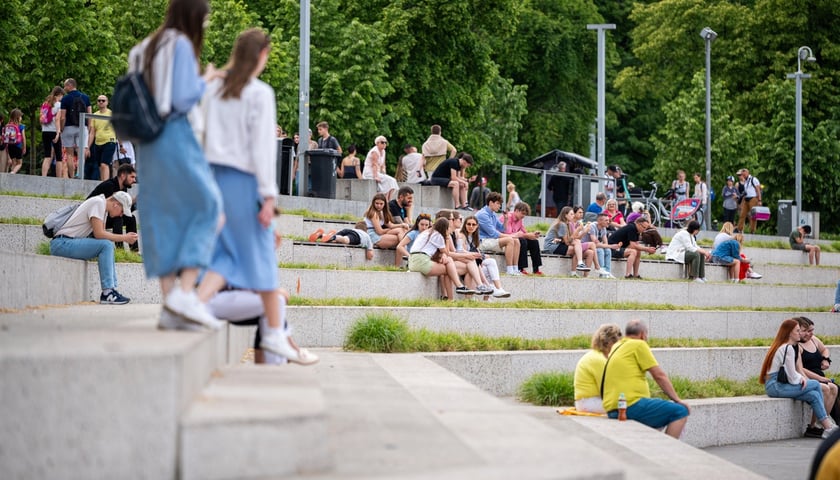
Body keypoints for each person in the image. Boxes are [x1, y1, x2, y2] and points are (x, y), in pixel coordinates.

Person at [194, 28, 317, 363]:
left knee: (225, 253)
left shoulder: (215, 87)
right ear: (262, 54)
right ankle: (275, 334)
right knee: (262, 253)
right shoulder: (259, 93)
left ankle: (197, 304)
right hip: (243, 180)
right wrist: (269, 197)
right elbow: (263, 149)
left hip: (214, 177)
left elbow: (198, 130)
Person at [130, 0, 225, 330]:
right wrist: (207, 78)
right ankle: (185, 292)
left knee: (162, 214)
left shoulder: (144, 48)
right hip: (174, 132)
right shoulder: (181, 44)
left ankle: (170, 301)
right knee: (209, 204)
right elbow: (183, 98)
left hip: (145, 139)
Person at [602, 320, 690, 438]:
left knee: (658, 408)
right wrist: (678, 400)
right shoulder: (639, 344)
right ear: (643, 335)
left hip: (613, 408)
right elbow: (659, 376)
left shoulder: (617, 346)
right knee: (680, 412)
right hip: (630, 406)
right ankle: (668, 450)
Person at [50, 192, 137, 304]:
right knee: (107, 245)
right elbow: (99, 234)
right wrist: (124, 238)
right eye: (122, 211)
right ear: (116, 204)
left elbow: (100, 237)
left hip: (67, 243)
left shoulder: (101, 206)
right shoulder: (98, 203)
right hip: (62, 243)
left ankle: (111, 290)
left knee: (108, 245)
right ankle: (108, 293)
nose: (121, 215)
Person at [760, 318, 837, 439]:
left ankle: (822, 427)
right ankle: (828, 427)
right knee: (816, 385)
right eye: (798, 331)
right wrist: (803, 380)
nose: (800, 333)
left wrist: (801, 379)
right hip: (775, 386)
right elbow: (792, 376)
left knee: (814, 395)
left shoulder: (788, 346)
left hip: (777, 384)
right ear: (790, 333)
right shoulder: (787, 348)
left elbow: (793, 373)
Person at [408, 217, 476, 299]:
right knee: (449, 265)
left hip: (412, 261)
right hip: (422, 261)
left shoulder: (426, 232)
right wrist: (447, 237)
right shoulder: (438, 235)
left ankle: (455, 291)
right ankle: (458, 287)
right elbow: (447, 252)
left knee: (448, 265)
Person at [796, 317, 839, 437]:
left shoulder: (814, 340)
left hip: (820, 376)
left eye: (811, 330)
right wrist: (820, 379)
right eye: (807, 331)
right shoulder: (797, 346)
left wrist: (826, 359)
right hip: (808, 377)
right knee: (828, 388)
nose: (810, 334)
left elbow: (824, 349)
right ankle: (815, 425)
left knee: (835, 388)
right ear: (798, 330)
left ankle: (821, 424)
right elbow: (799, 368)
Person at [87, 164, 139, 250]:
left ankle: (134, 250)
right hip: (94, 218)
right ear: (123, 175)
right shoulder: (109, 185)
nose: (134, 180)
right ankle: (119, 249)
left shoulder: (123, 188)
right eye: (132, 177)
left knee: (131, 218)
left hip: (106, 217)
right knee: (118, 218)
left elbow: (122, 209)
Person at [573, 323, 623, 413]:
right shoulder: (599, 359)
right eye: (617, 344)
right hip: (588, 402)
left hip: (590, 401)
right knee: (625, 408)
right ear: (608, 343)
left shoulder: (598, 355)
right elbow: (608, 388)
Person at [460, 214, 510, 298]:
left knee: (491, 261)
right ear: (465, 225)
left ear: (477, 226)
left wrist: (482, 256)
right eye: (468, 224)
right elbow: (462, 251)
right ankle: (491, 289)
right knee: (486, 264)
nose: (471, 226)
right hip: (467, 263)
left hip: (475, 262)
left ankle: (498, 288)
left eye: (473, 224)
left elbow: (477, 251)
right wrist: (479, 256)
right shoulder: (462, 236)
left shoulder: (474, 237)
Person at [475, 192, 521, 275]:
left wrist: (506, 219)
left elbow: (502, 229)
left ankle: (515, 269)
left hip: (490, 240)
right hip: (482, 241)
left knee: (516, 241)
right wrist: (512, 236)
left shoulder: (493, 214)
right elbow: (493, 233)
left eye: (500, 204)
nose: (499, 206)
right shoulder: (482, 215)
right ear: (490, 203)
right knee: (510, 240)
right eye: (498, 203)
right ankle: (510, 270)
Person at [57, 78, 91, 179]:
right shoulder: (85, 97)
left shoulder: (65, 99)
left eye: (65, 86)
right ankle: (79, 174)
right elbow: (89, 114)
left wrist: (62, 128)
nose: (64, 88)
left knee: (69, 154)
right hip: (82, 127)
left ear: (70, 85)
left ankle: (72, 177)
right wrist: (88, 127)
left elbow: (63, 117)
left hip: (68, 128)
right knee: (81, 152)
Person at [543, 206, 592, 276]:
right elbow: (567, 242)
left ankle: (579, 266)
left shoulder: (567, 224)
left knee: (586, 250)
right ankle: (578, 266)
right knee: (577, 244)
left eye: (573, 214)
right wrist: (578, 230)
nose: (573, 215)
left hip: (558, 244)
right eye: (571, 214)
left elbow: (568, 240)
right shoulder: (562, 224)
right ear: (565, 215)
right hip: (551, 246)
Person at [503, 201, 543, 275]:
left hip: (515, 240)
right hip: (506, 240)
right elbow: (508, 234)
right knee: (522, 241)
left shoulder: (520, 220)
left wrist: (532, 235)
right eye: (522, 213)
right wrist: (525, 235)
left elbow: (524, 232)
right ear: (516, 211)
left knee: (534, 242)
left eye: (525, 214)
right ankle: (521, 268)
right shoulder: (508, 217)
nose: (523, 216)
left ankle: (536, 269)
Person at [86, 95, 117, 181]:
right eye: (99, 100)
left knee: (104, 164)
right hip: (98, 142)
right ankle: (103, 183)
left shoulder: (111, 114)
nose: (101, 102)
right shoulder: (95, 115)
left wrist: (121, 145)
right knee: (100, 165)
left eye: (103, 101)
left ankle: (106, 182)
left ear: (107, 102)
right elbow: (92, 132)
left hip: (109, 140)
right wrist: (88, 147)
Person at [582, 212, 619, 278]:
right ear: (599, 221)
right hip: (584, 245)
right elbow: (596, 244)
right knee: (600, 250)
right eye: (606, 220)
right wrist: (611, 246)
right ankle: (602, 272)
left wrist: (609, 246)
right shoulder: (592, 226)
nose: (608, 222)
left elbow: (605, 243)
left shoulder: (603, 228)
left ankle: (607, 272)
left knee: (608, 250)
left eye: (608, 220)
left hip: (592, 246)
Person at [363, 135, 399, 200]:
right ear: (377, 143)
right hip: (370, 172)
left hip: (377, 171)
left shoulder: (383, 151)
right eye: (382, 142)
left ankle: (388, 199)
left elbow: (383, 165)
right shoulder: (375, 151)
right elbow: (374, 164)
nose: (384, 144)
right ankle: (386, 200)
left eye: (385, 142)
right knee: (391, 180)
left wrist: (384, 172)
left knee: (391, 181)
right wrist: (376, 176)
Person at [40, 86, 63, 177]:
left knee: (47, 155)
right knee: (58, 156)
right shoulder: (59, 105)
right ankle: (58, 178)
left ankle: (44, 176)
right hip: (54, 131)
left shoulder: (45, 103)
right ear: (59, 95)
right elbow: (57, 119)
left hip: (45, 131)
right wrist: (58, 133)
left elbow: (41, 118)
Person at [736, 168, 762, 234]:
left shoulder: (753, 179)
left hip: (753, 198)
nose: (743, 176)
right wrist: (742, 202)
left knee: (753, 215)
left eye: (744, 174)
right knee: (742, 214)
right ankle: (739, 228)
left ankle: (752, 230)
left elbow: (758, 189)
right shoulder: (746, 181)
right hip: (746, 199)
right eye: (742, 175)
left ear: (747, 173)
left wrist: (759, 200)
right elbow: (746, 191)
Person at [2, 108, 26, 174]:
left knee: (13, 162)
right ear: (18, 117)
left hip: (10, 146)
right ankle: (12, 173)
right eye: (20, 116)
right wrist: (24, 147)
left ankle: (12, 175)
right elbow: (23, 138)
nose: (21, 118)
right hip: (18, 146)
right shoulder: (21, 126)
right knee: (19, 163)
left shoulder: (7, 125)